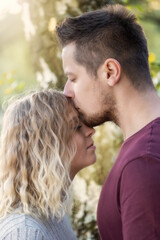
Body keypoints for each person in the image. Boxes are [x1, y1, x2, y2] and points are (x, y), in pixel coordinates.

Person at [56, 4, 160, 240]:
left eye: (73, 78)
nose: (67, 91)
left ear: (110, 72)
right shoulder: (144, 149)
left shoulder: (143, 162)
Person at [0, 89, 96, 240]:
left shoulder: (52, 211)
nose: (91, 131)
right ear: (45, 147)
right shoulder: (25, 232)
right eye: (76, 126)